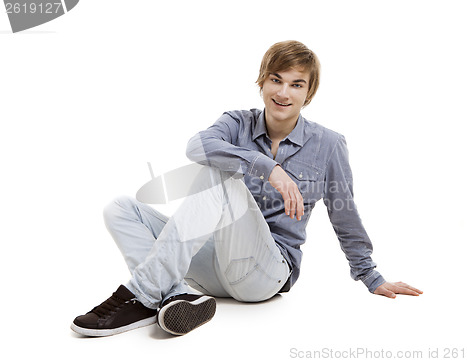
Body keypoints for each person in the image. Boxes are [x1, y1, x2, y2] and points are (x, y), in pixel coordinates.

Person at [71, 40, 422, 338]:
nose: (283, 93)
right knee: (120, 207)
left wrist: (370, 276)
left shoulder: (328, 145)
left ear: (309, 93)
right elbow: (197, 146)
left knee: (219, 177)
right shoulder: (237, 122)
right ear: (262, 81)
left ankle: (141, 294)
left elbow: (344, 212)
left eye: (297, 84)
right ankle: (175, 295)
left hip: (265, 274)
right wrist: (268, 168)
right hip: (211, 270)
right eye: (276, 80)